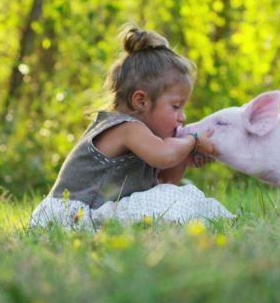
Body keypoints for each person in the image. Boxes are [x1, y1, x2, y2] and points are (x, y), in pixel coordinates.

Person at [29, 24, 234, 230]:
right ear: (141, 101)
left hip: (95, 214)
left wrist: (184, 159)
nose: (183, 117)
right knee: (173, 198)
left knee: (173, 193)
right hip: (71, 217)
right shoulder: (126, 128)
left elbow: (165, 181)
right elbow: (164, 156)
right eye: (175, 106)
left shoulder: (147, 138)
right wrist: (193, 140)